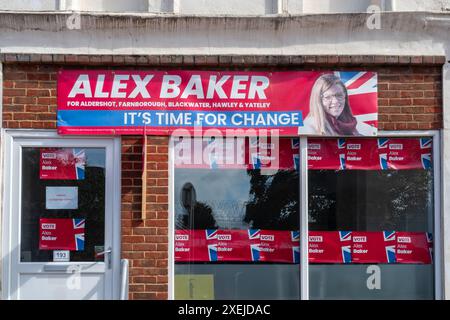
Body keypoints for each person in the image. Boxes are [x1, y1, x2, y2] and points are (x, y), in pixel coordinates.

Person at [299, 73, 375, 136]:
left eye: (339, 95)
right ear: (318, 99)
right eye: (328, 97)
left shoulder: (355, 125)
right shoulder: (310, 126)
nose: (335, 101)